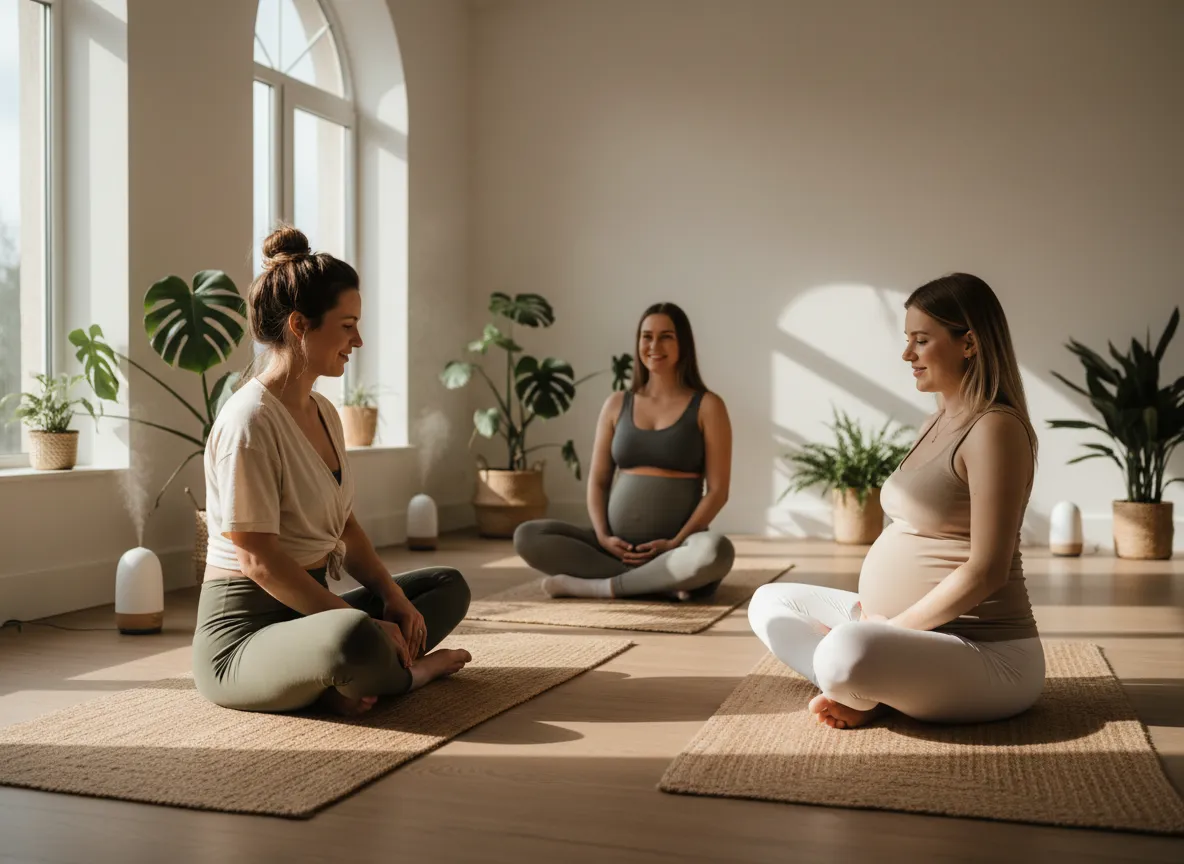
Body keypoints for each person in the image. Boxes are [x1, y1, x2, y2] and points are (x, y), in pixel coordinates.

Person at [193, 226, 472, 716]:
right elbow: (258, 562)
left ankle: (345, 680)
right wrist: (359, 622)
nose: (358, 340)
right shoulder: (249, 422)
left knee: (444, 587)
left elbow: (345, 527)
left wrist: (393, 599)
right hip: (242, 639)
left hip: (311, 614)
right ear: (300, 325)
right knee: (354, 637)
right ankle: (411, 673)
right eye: (347, 326)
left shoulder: (324, 411)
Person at [748, 273, 1043, 729]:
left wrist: (888, 631)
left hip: (980, 650)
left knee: (847, 651)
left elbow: (986, 571)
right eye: (908, 340)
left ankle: (860, 679)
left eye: (921, 341)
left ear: (969, 344)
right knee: (770, 602)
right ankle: (868, 688)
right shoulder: (937, 420)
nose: (907, 354)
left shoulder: (994, 430)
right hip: (897, 627)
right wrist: (878, 623)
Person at [514, 302, 735, 599]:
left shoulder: (708, 405)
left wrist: (676, 543)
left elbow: (718, 490)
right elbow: (598, 481)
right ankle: (659, 583)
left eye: (666, 336)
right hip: (613, 550)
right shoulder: (617, 404)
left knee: (715, 552)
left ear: (684, 343)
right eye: (647, 336)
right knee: (528, 536)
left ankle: (603, 586)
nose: (654, 345)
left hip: (678, 547)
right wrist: (604, 537)